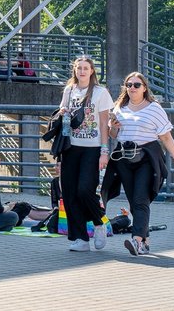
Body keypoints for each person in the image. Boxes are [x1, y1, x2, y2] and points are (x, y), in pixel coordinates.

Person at [103, 72, 174, 256]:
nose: (132, 88)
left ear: (144, 88)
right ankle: (145, 241)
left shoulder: (154, 108)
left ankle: (136, 241)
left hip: (147, 158)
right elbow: (113, 135)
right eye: (129, 85)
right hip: (124, 158)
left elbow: (166, 137)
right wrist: (113, 127)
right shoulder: (120, 107)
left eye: (136, 85)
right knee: (133, 200)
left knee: (140, 199)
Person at [57, 55, 112, 252]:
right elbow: (63, 119)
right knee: (70, 193)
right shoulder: (69, 91)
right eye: (79, 68)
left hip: (92, 148)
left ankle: (99, 224)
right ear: (74, 70)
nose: (82, 71)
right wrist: (62, 111)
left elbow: (105, 124)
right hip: (71, 147)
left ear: (92, 71)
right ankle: (80, 238)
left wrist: (105, 151)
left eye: (86, 68)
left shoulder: (100, 92)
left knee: (85, 190)